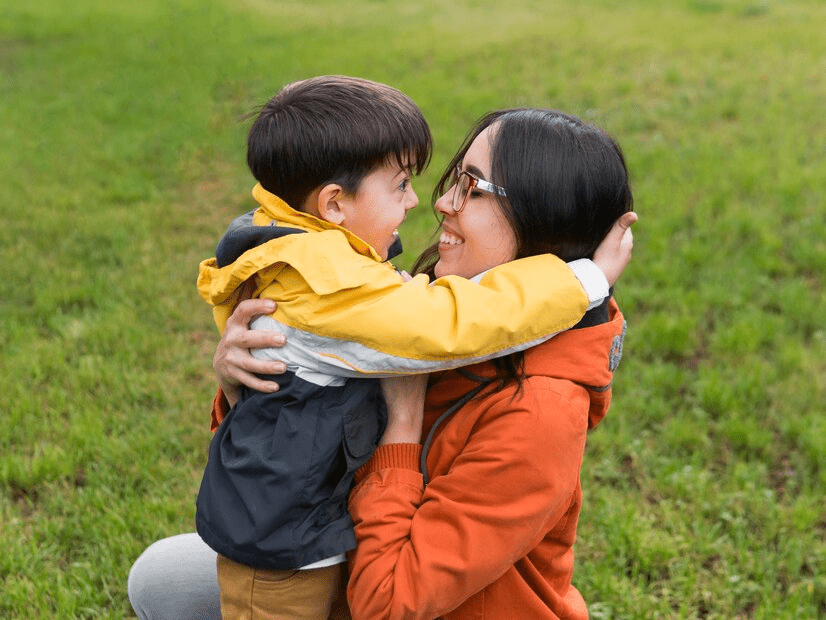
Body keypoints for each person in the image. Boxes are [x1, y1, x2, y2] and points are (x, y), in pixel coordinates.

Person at [128, 100, 635, 620]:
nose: (441, 203)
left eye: (474, 188)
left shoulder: (542, 412)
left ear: (543, 220)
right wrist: (250, 378)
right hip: (354, 554)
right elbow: (297, 456)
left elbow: (389, 605)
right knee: (165, 578)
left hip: (405, 602)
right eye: (454, 179)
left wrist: (402, 430)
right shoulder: (424, 313)